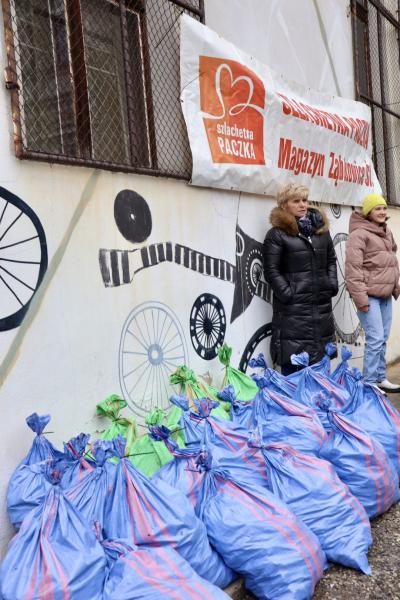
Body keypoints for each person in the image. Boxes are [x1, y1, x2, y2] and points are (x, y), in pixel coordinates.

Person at [262, 183, 338, 375]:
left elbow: (331, 259)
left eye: (305, 200)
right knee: (296, 375)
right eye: (296, 201)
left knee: (322, 375)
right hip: (293, 313)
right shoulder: (277, 235)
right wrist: (289, 294)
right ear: (284, 205)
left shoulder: (321, 231)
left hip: (321, 309)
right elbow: (271, 270)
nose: (303, 205)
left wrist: (331, 284)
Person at [345, 193, 400, 392]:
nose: (383, 212)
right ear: (368, 212)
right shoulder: (359, 234)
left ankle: (380, 377)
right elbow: (353, 269)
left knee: (382, 338)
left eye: (384, 208)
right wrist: (361, 298)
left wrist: (394, 286)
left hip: (385, 295)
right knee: (375, 338)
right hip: (368, 295)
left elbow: (390, 261)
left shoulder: (386, 232)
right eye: (378, 208)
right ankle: (368, 383)